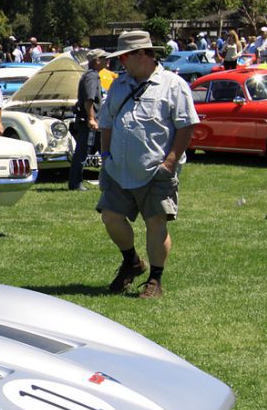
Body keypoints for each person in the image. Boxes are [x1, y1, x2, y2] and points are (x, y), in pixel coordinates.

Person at [96, 31, 198, 299]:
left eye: (124, 57)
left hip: (156, 170)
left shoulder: (173, 85)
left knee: (156, 223)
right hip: (118, 169)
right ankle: (132, 261)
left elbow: (186, 127)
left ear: (142, 54)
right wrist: (106, 157)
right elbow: (106, 123)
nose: (120, 63)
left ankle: (155, 280)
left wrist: (170, 162)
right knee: (110, 217)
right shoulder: (119, 85)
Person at [68, 49, 107, 190]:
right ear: (96, 61)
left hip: (93, 121)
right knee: (82, 152)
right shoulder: (91, 77)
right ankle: (75, 183)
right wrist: (91, 118)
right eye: (104, 58)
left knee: (104, 149)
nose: (107, 61)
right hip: (90, 122)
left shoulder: (92, 75)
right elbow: (89, 99)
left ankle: (107, 181)